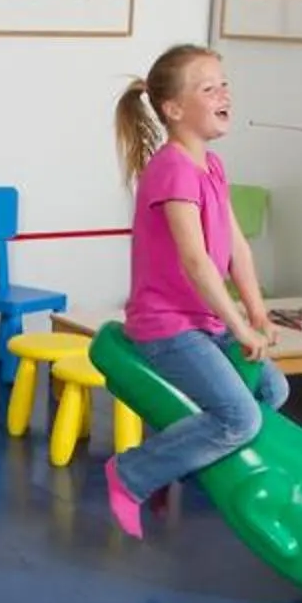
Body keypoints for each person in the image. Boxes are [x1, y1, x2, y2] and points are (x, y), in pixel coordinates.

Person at [101, 45, 288, 539]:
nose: (224, 93)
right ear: (174, 109)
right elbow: (196, 260)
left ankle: (174, 465)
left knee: (274, 388)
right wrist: (238, 324)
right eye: (209, 88)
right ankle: (133, 473)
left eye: (224, 83)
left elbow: (236, 248)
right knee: (238, 418)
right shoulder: (171, 168)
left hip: (203, 321)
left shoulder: (213, 166)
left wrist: (259, 312)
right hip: (166, 324)